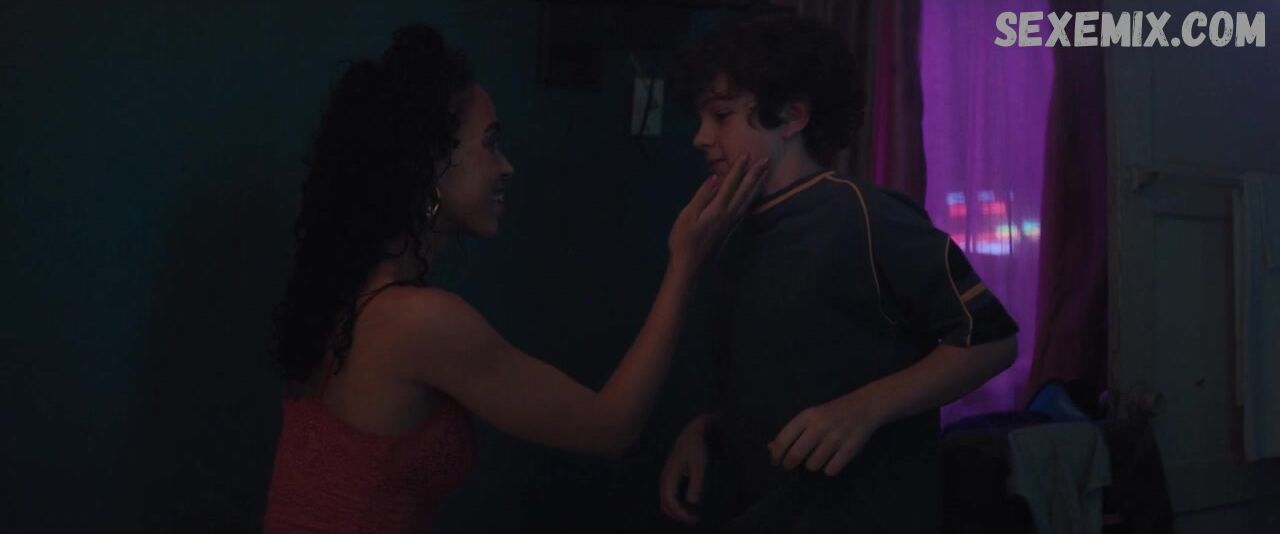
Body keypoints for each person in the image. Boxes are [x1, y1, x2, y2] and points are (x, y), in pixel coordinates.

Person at [262, 24, 767, 534]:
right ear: (432, 163)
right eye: (491, 143)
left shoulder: (354, 296)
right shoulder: (417, 321)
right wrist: (685, 262)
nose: (506, 166)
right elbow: (611, 426)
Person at [658, 14, 1020, 533]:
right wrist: (705, 430)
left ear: (792, 117)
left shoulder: (866, 217)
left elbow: (992, 340)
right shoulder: (729, 231)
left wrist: (864, 408)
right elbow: (783, 370)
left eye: (721, 116)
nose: (700, 137)